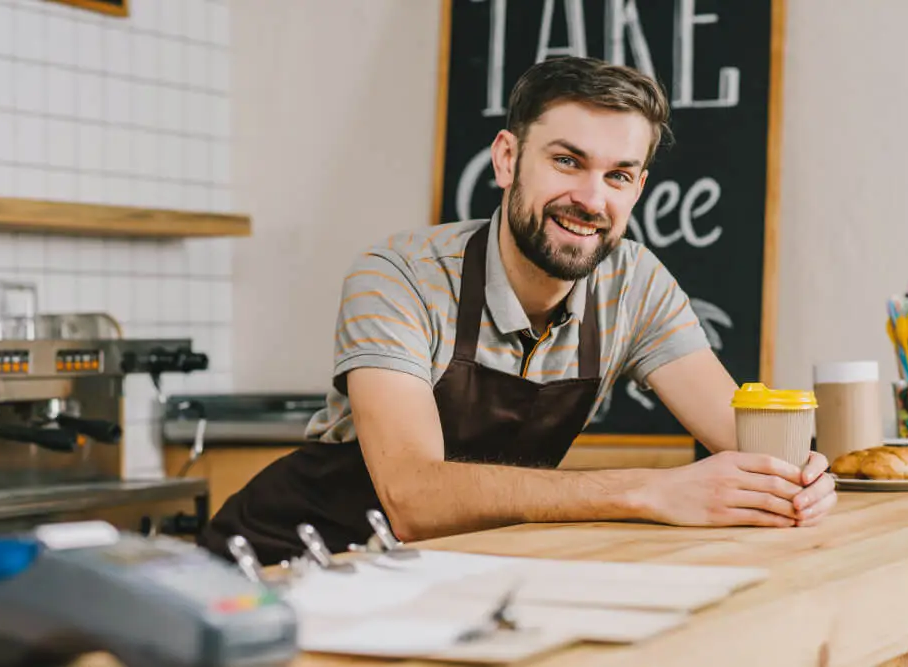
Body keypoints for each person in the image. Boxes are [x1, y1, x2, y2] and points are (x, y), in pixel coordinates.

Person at [200, 57, 836, 566]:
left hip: (451, 569)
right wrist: (651, 490)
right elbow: (413, 497)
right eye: (567, 161)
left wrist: (799, 477)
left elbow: (744, 440)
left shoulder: (635, 283)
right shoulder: (398, 277)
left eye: (619, 175)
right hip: (290, 565)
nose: (591, 198)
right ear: (507, 159)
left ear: (638, 187)